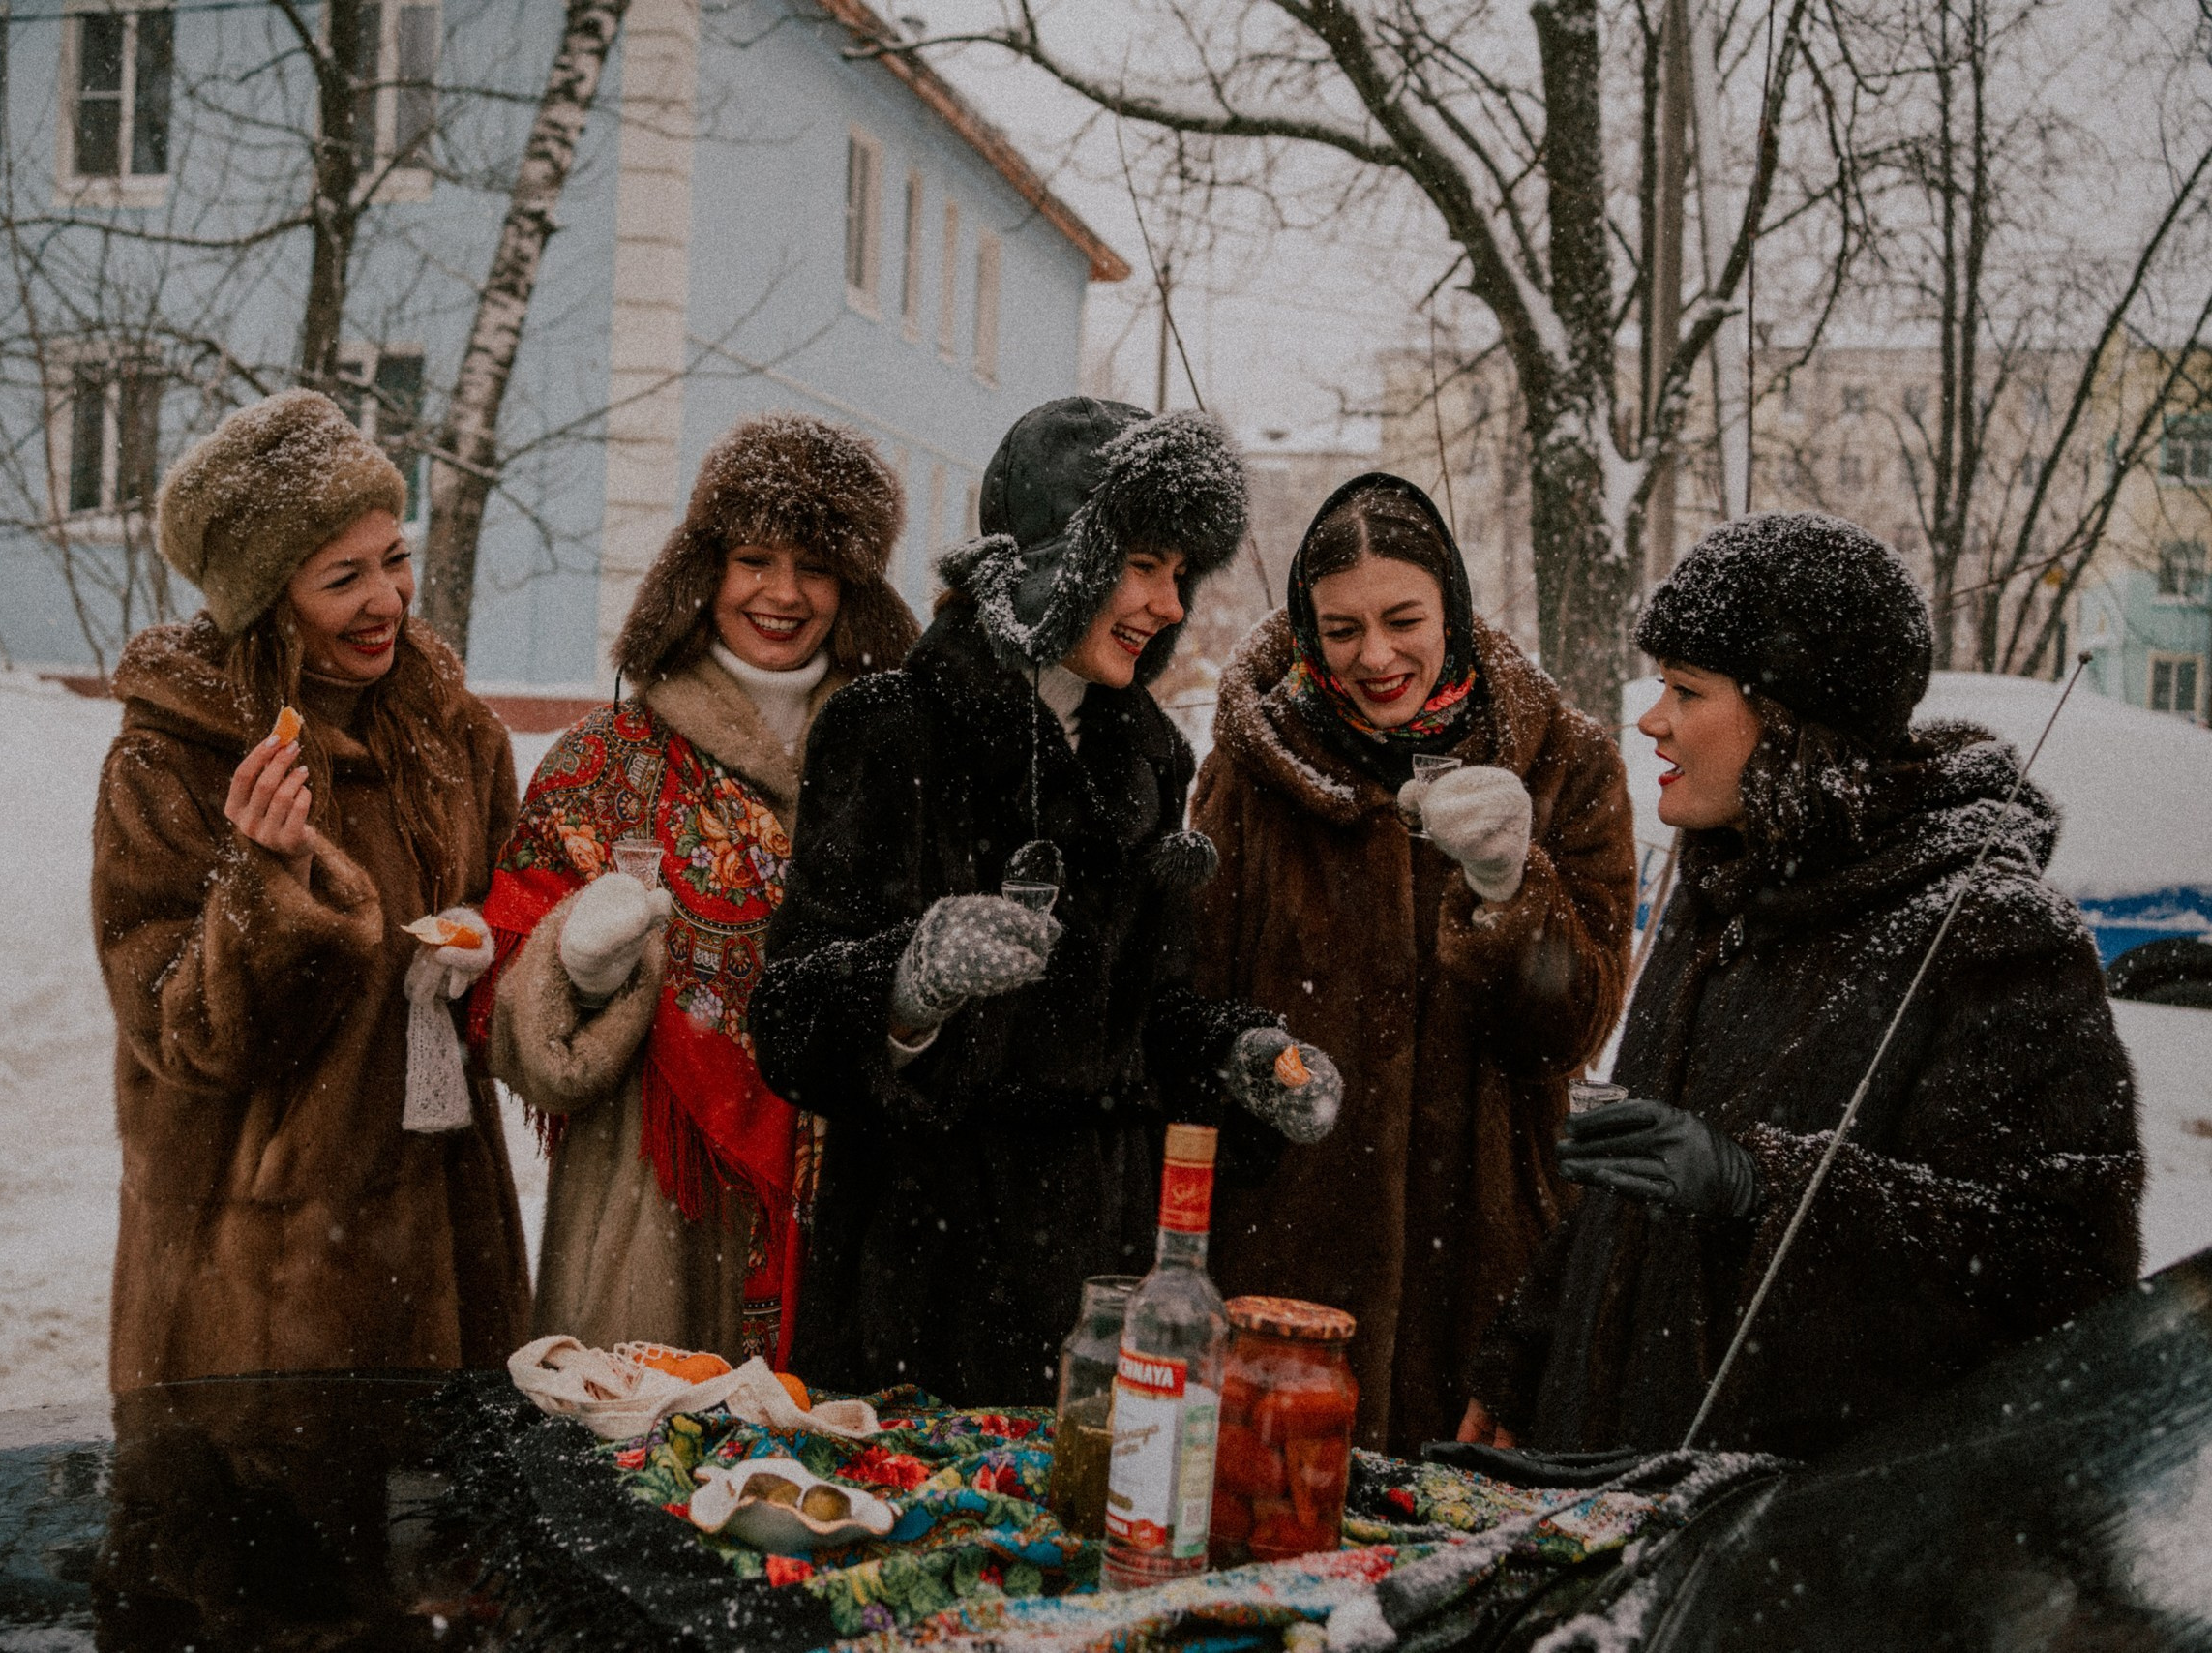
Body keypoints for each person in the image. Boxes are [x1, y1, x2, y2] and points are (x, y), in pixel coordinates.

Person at [1462, 513, 2144, 1459]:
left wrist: (1768, 1190)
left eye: (1686, 689)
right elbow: (1638, 1184)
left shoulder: (1990, 929)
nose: (1651, 718)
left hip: (1797, 1552)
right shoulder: (1723, 883)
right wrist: (1531, 1355)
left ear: (1790, 720)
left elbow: (2065, 1280)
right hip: (1617, 1497)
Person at [752, 397, 1345, 1406]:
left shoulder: (1152, 756)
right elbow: (788, 1017)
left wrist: (1235, 1052)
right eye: (1145, 566)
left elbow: (1149, 1016)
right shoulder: (891, 727)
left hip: (1093, 1284)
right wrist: (909, 980)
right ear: (1054, 559)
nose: (1169, 606)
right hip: (913, 1274)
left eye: (1180, 575)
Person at [1189, 473, 1638, 1454]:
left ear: (1455, 610)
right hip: (1285, 1264)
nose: (1375, 656)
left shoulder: (1564, 761)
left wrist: (1510, 892)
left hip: (1485, 1267)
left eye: (1403, 618)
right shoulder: (1252, 775)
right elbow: (1196, 1013)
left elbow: (1578, 1027)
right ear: (1308, 630)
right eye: (1340, 628)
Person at [93, 389, 529, 1390]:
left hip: (450, 1253)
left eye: (395, 557)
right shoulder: (171, 765)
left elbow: (520, 937)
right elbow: (185, 1039)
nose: (388, 600)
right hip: (252, 1283)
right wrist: (269, 890)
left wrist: (493, 941)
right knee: (269, 1541)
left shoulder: (458, 738)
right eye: (344, 577)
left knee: (446, 1531)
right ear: (267, 600)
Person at [471, 413, 920, 1366]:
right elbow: (514, 1031)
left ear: (857, 586)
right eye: (755, 557)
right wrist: (577, 966)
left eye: (817, 564)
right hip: (648, 1221)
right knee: (637, 1491)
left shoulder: (908, 767)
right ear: (704, 569)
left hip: (852, 1211)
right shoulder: (604, 761)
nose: (783, 593)